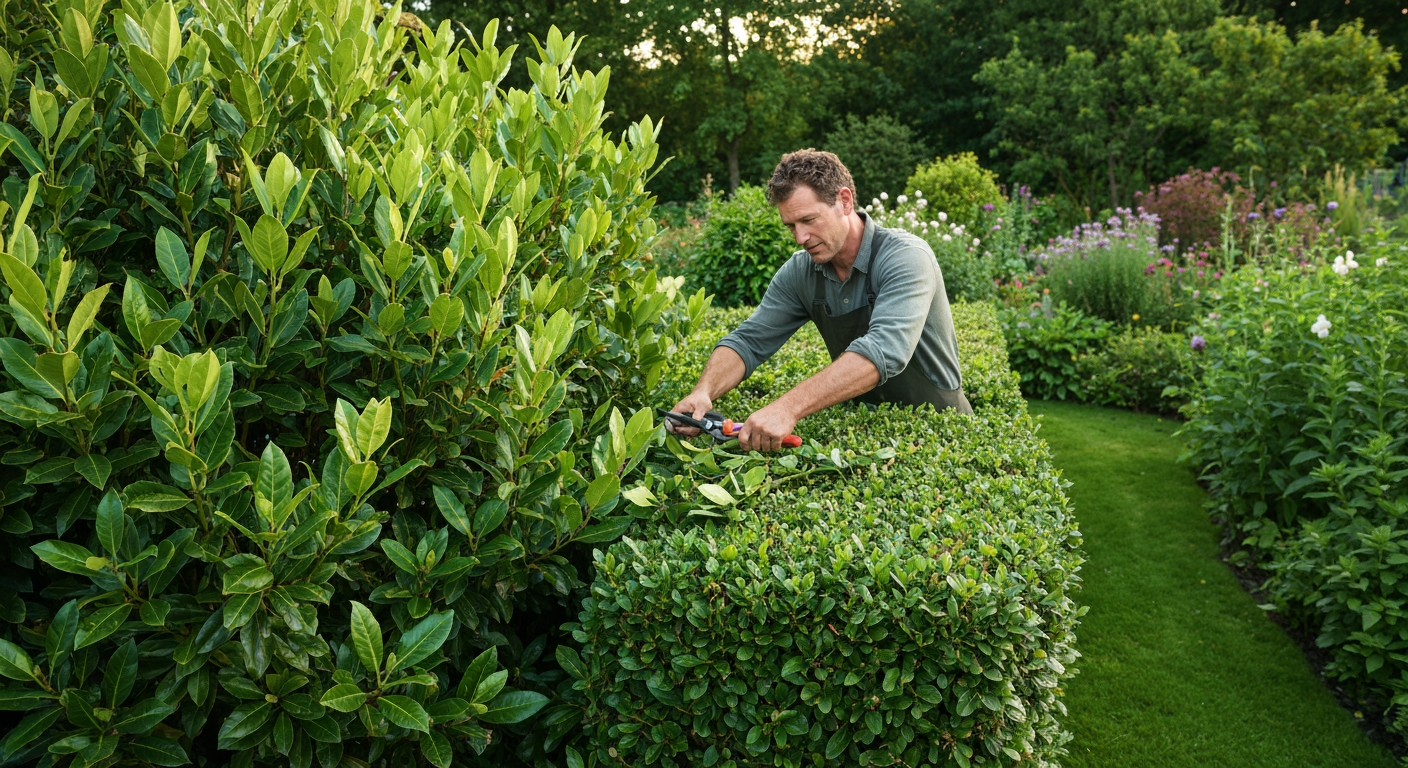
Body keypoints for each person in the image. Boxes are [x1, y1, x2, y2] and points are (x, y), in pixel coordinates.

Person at [668, 149, 972, 452]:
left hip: (940, 432)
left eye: (808, 220)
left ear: (844, 201)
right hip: (864, 433)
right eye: (791, 226)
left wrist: (787, 408)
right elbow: (748, 341)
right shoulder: (801, 271)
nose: (800, 237)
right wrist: (703, 392)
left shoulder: (905, 257)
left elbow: (884, 349)